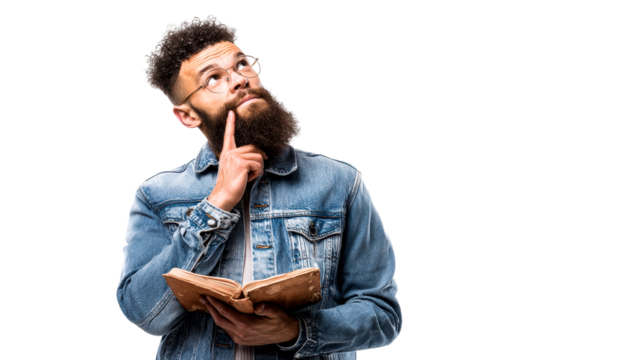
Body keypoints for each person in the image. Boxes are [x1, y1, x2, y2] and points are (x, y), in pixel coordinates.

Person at [116, 13, 402, 360]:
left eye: (242, 64)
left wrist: (296, 331)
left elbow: (383, 316)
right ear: (187, 116)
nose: (239, 80)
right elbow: (145, 316)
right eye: (213, 79)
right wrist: (217, 204)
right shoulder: (157, 194)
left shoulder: (340, 183)